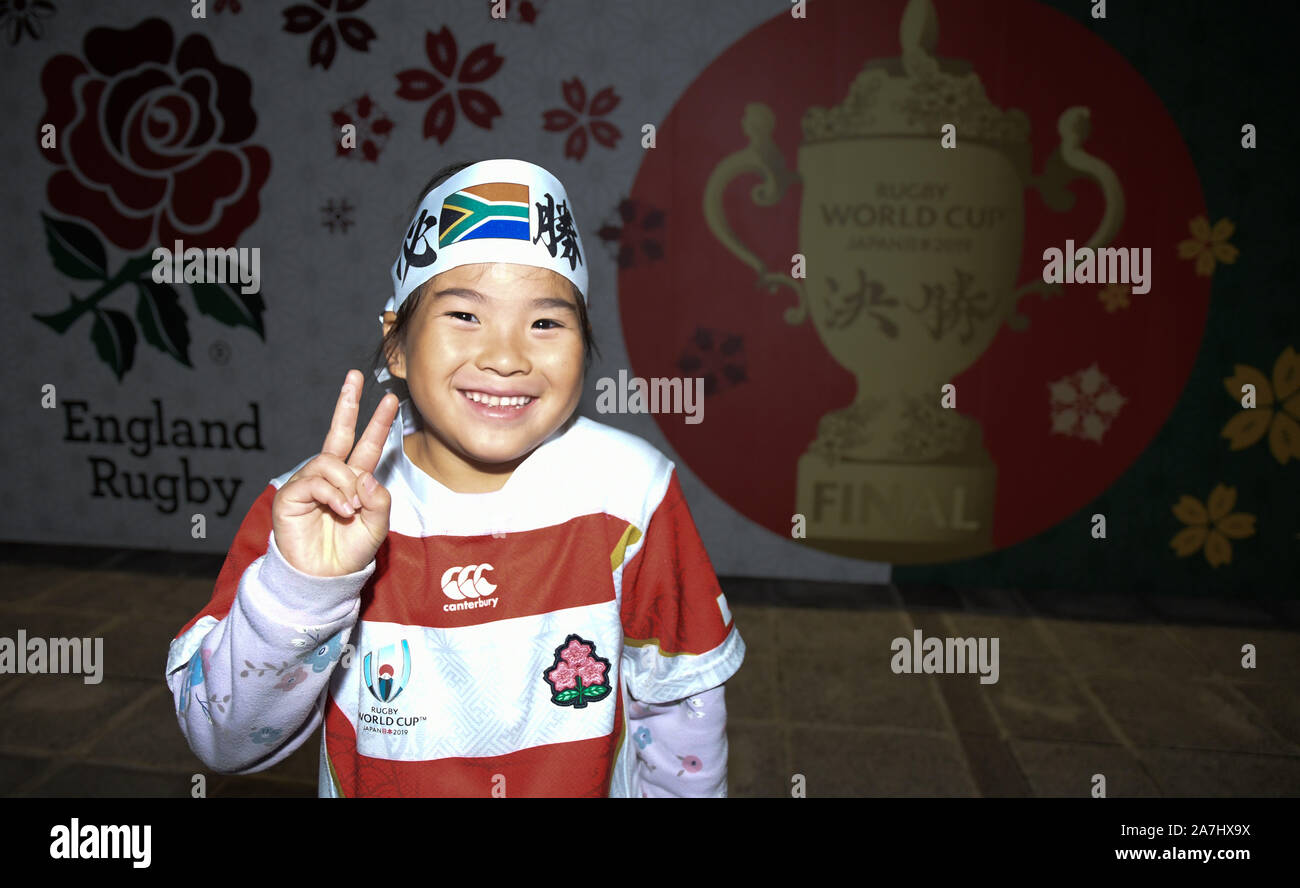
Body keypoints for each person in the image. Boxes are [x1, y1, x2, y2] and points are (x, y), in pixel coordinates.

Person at [165, 157, 745, 797]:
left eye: (546, 322)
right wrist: (303, 589)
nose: (505, 357)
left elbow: (680, 706)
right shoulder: (309, 511)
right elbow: (221, 741)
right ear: (397, 344)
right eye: (464, 315)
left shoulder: (633, 492)